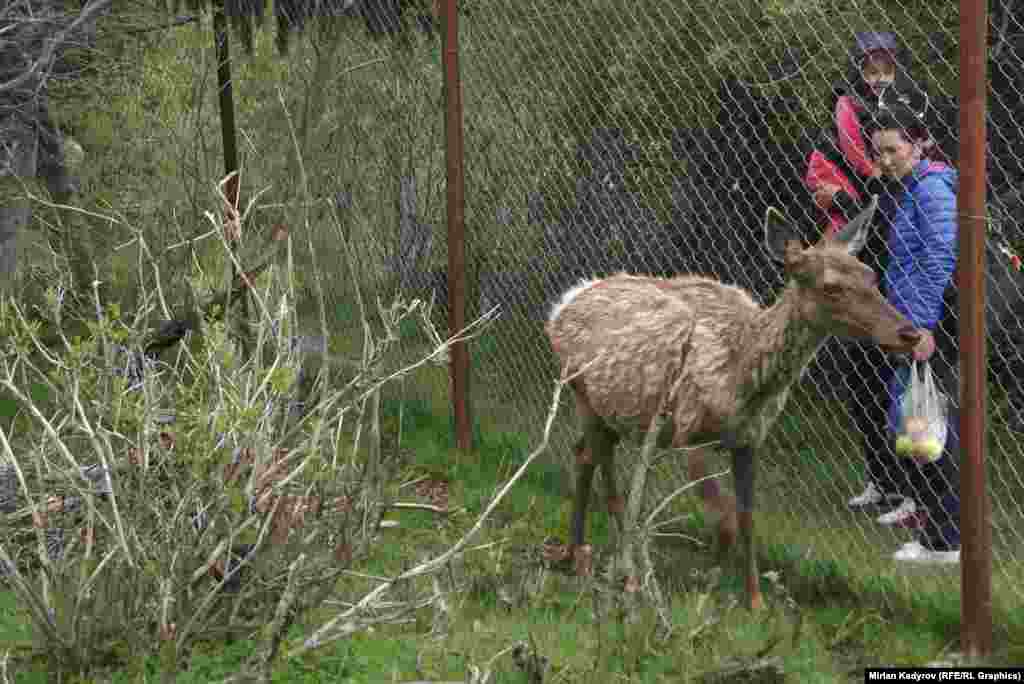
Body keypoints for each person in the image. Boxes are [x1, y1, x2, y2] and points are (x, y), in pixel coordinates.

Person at [805, 31, 930, 524]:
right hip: (854, 244)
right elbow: (825, 167)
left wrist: (873, 187)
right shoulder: (845, 109)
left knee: (901, 375)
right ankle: (881, 478)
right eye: (868, 62)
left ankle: (914, 486)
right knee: (858, 373)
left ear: (896, 62)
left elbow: (908, 167)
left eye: (884, 61)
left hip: (894, 250)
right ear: (859, 65)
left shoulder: (913, 106)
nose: (876, 70)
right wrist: (836, 192)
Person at [864, 103, 961, 563]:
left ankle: (946, 539)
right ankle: (933, 521)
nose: (884, 160)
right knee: (915, 423)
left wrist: (919, 326)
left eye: (893, 149)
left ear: (918, 145)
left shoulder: (931, 191)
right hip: (911, 324)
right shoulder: (908, 190)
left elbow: (940, 259)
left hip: (930, 327)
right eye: (877, 151)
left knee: (935, 427)